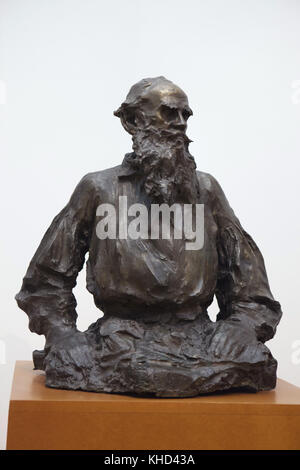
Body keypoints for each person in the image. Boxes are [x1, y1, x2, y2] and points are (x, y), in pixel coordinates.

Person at [16, 77, 282, 396]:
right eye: (170, 114)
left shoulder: (207, 191)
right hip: (115, 344)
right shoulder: (98, 190)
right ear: (132, 121)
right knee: (75, 360)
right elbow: (44, 283)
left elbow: (251, 288)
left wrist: (241, 326)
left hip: (200, 343)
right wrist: (62, 334)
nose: (181, 124)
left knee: (251, 359)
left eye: (186, 116)